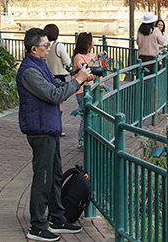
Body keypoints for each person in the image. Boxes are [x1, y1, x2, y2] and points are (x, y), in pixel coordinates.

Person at [17, 27, 95, 241]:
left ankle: (57, 218)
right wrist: (77, 80)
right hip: (40, 130)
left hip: (49, 127)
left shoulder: (40, 65)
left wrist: (78, 79)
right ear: (34, 49)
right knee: (43, 178)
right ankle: (37, 225)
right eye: (45, 45)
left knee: (54, 176)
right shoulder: (29, 71)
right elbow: (53, 95)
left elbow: (57, 86)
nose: (48, 48)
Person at [71, 32, 100, 151]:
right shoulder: (79, 57)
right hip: (83, 90)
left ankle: (91, 139)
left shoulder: (91, 54)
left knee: (92, 115)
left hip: (92, 87)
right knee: (85, 115)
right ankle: (81, 142)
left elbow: (95, 71)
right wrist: (94, 60)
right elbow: (86, 70)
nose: (93, 42)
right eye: (91, 40)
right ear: (86, 43)